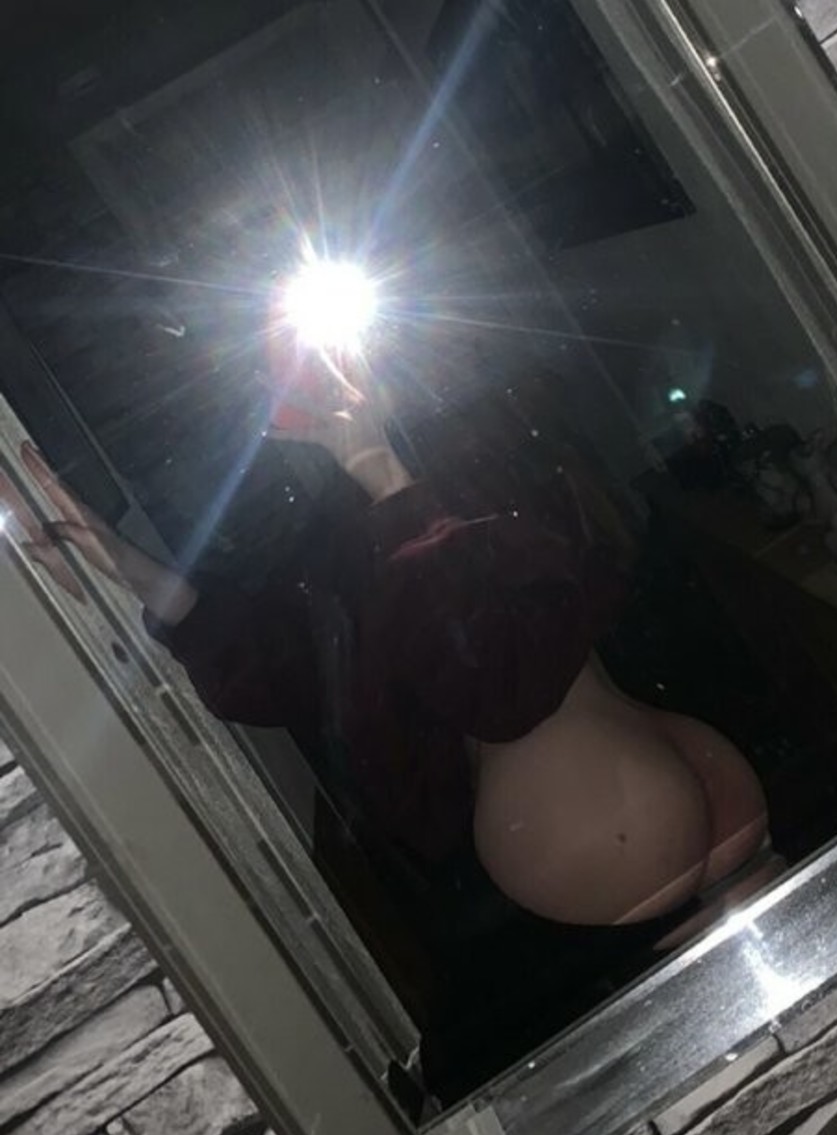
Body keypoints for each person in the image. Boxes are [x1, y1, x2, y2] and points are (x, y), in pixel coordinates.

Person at [8, 351, 772, 940]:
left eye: (325, 353)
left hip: (663, 803)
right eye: (287, 370)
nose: (314, 378)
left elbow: (506, 672)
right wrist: (128, 565)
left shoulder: (494, 447)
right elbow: (292, 672)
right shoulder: (341, 532)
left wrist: (385, 475)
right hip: (594, 834)